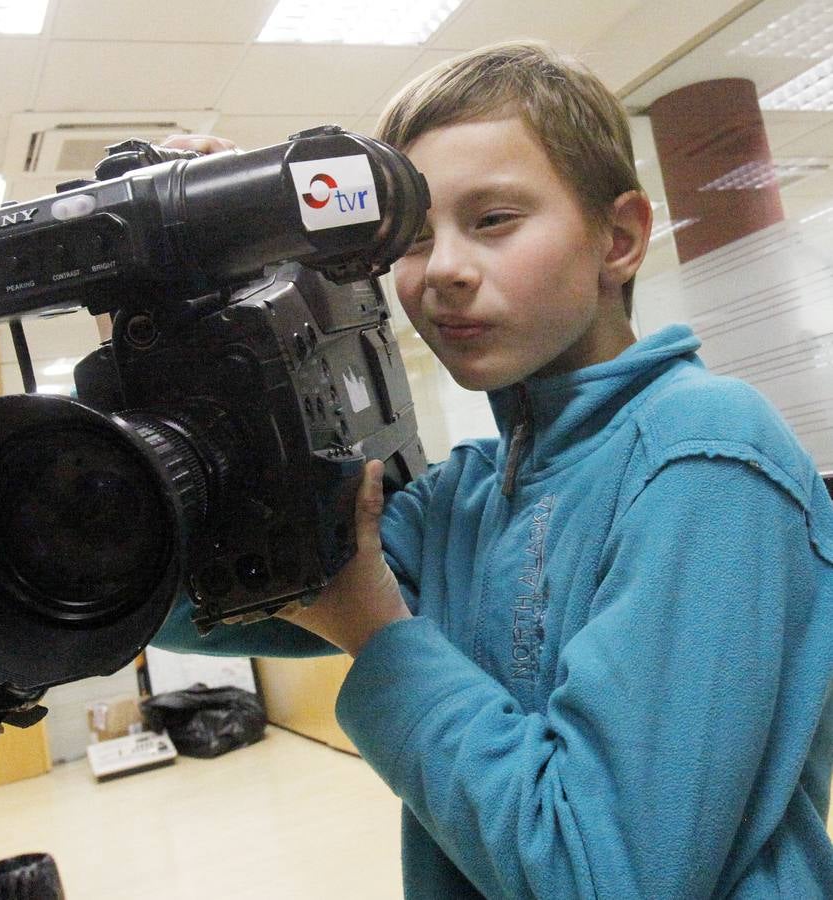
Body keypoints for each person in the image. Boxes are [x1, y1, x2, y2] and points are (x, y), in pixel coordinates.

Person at [154, 41, 833, 898]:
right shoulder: (462, 496)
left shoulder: (701, 451)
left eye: (493, 220)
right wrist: (199, 324)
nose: (441, 270)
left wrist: (373, 630)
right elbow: (176, 598)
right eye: (408, 239)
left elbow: (605, 873)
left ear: (617, 237)